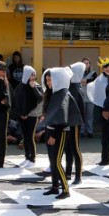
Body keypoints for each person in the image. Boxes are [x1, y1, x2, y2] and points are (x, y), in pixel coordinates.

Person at [41, 67, 80, 199]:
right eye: (46, 80)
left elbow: (63, 120)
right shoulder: (53, 93)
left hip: (60, 132)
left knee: (57, 161)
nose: (48, 83)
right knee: (52, 161)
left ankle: (66, 189)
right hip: (50, 130)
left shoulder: (63, 95)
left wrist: (54, 136)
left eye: (50, 80)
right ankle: (55, 187)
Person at [91, 58, 109, 166]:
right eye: (106, 69)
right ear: (103, 69)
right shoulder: (99, 80)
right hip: (104, 111)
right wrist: (104, 110)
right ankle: (105, 159)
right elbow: (98, 97)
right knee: (105, 136)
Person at [14, 65, 43, 167]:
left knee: (30, 136)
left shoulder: (37, 86)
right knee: (25, 136)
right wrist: (21, 114)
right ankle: (27, 156)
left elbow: (40, 98)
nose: (33, 77)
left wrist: (33, 87)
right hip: (22, 116)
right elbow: (17, 101)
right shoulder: (20, 86)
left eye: (34, 75)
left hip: (33, 115)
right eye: (31, 75)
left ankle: (32, 158)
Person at [65, 62, 87, 185]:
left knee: (75, 148)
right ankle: (68, 172)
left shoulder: (76, 88)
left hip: (75, 122)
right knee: (68, 147)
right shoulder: (72, 86)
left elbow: (81, 108)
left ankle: (78, 175)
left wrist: (80, 121)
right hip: (69, 121)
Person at [80, 58, 97, 137]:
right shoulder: (78, 73)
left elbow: (93, 80)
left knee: (89, 116)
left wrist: (84, 81)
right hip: (81, 97)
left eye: (87, 63)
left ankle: (90, 131)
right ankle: (82, 131)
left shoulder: (94, 73)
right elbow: (78, 81)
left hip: (90, 97)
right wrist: (86, 81)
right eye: (84, 63)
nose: (86, 65)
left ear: (90, 64)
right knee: (82, 115)